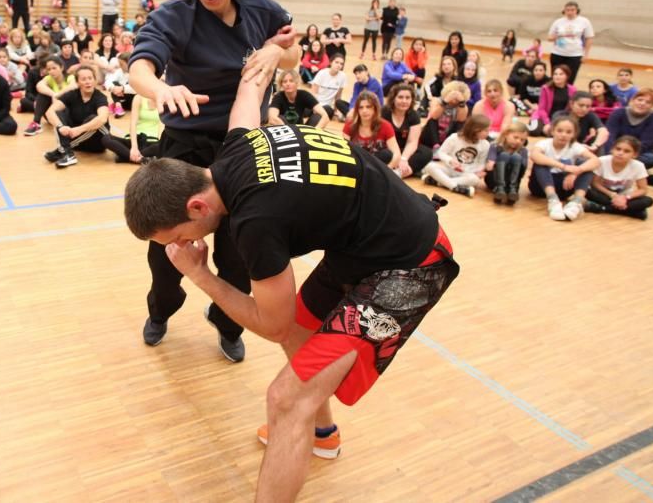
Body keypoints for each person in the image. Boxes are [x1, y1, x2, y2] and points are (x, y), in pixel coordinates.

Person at [122, 71, 459, 502]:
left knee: (285, 399)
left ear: (196, 204)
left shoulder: (255, 224)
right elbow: (249, 93)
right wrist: (269, 54)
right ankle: (322, 432)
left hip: (409, 262)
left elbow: (271, 325)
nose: (186, 245)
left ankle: (302, 421)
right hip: (369, 239)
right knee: (302, 326)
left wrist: (200, 274)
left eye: (179, 237)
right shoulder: (238, 149)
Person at [127, 0, 299, 361]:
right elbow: (139, 68)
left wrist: (280, 53)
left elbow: (293, 49)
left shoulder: (262, 11)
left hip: (243, 150)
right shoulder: (174, 16)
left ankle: (227, 322)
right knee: (168, 248)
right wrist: (160, 89)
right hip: (184, 149)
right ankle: (161, 310)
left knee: (242, 251)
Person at [42, 65, 118, 168]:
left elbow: (102, 118)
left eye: (90, 78)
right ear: (77, 83)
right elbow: (50, 111)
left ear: (95, 81)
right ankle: (67, 153)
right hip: (77, 140)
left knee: (93, 119)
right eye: (83, 79)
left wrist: (79, 129)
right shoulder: (72, 95)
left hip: (96, 142)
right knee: (58, 114)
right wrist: (60, 127)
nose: (88, 82)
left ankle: (63, 150)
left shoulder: (100, 97)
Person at [529, 114, 599, 221]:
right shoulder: (544, 143)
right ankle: (553, 200)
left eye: (568, 132)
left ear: (574, 134)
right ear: (552, 131)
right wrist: (564, 167)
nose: (563, 135)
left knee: (587, 169)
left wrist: (577, 172)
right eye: (560, 131)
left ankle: (576, 202)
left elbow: (596, 160)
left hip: (564, 187)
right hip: (540, 186)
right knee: (540, 163)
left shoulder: (575, 146)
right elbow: (534, 155)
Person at [584, 135, 653, 220]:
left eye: (626, 151)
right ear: (612, 149)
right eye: (618, 149)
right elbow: (595, 183)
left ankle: (601, 208)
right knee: (587, 191)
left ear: (634, 154)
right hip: (605, 194)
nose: (620, 153)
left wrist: (625, 197)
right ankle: (634, 212)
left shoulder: (638, 166)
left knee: (648, 200)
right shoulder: (602, 161)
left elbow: (643, 189)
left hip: (625, 196)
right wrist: (612, 195)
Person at [422, 114, 491, 198]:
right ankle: (455, 187)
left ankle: (439, 182)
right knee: (429, 166)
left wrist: (474, 171)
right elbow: (441, 153)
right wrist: (450, 161)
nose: (488, 133)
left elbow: (481, 163)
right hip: (449, 169)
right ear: (476, 130)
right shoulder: (454, 138)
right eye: (486, 131)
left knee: (475, 180)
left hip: (466, 173)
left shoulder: (485, 144)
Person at [602, 88, 653, 169]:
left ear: (652, 105)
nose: (642, 103)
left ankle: (620, 166)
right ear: (633, 100)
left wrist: (627, 155)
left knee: (651, 159)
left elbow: (647, 143)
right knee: (600, 151)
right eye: (640, 100)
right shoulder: (618, 113)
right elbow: (610, 136)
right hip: (615, 150)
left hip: (638, 154)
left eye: (648, 102)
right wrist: (615, 152)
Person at [343, 91, 400, 169]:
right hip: (357, 163)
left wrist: (387, 170)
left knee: (387, 154)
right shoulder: (350, 125)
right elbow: (345, 151)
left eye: (368, 107)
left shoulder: (385, 126)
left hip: (377, 165)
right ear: (357, 110)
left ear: (375, 109)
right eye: (361, 107)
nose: (364, 111)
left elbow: (396, 153)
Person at [384, 83, 431, 178]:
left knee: (426, 152)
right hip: (388, 149)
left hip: (405, 150)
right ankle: (406, 170)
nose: (404, 101)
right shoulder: (384, 113)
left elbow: (412, 142)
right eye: (400, 97)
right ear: (393, 98)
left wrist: (404, 159)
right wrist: (396, 158)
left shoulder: (414, 115)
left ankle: (397, 174)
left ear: (412, 100)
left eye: (407, 98)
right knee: (384, 154)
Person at [23, 56, 76, 136]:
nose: (51, 71)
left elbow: (74, 86)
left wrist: (59, 94)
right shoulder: (49, 78)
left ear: (61, 67)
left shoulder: (69, 77)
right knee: (43, 95)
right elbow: (39, 86)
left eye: (54, 68)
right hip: (51, 114)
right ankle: (36, 123)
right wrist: (53, 94)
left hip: (67, 115)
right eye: (49, 69)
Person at [104, 92, 162, 164]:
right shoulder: (139, 98)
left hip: (151, 142)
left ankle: (125, 156)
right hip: (133, 140)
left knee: (163, 145)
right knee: (106, 138)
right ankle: (141, 159)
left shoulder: (163, 101)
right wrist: (134, 147)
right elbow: (133, 123)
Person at [548, 1, 593, 84]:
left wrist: (586, 54)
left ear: (577, 10)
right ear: (564, 11)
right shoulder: (558, 22)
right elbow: (549, 38)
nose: (570, 12)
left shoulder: (584, 21)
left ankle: (568, 96)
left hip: (575, 55)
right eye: (567, 10)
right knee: (555, 78)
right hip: (558, 53)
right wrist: (557, 36)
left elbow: (589, 38)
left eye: (572, 10)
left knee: (570, 79)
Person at [484, 120, 528, 205]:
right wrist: (493, 161)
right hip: (494, 178)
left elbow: (523, 168)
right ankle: (500, 188)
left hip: (512, 180)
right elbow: (489, 166)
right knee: (504, 155)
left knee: (516, 157)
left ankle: (512, 190)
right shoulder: (495, 146)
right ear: (506, 134)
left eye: (522, 140)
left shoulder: (523, 151)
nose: (518, 141)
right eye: (515, 137)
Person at [420, 81, 470, 149]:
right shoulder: (436, 101)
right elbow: (434, 116)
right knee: (432, 121)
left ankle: (448, 146)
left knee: (461, 124)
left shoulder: (463, 107)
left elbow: (460, 121)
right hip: (432, 134)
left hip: (448, 133)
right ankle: (436, 145)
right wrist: (445, 102)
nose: (455, 97)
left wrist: (461, 102)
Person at [530, 64, 575, 136]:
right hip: (542, 117)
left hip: (559, 118)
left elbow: (571, 109)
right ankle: (531, 125)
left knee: (555, 133)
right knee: (534, 131)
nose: (557, 76)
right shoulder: (545, 88)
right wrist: (547, 123)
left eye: (561, 74)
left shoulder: (572, 89)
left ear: (567, 76)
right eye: (555, 74)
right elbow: (541, 109)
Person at [311, 55, 348, 122]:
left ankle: (318, 115)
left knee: (327, 110)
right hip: (316, 104)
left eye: (341, 64)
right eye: (336, 62)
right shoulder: (322, 73)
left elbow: (338, 97)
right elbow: (313, 92)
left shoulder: (343, 76)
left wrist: (336, 111)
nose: (339, 65)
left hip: (327, 107)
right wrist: (315, 107)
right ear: (331, 62)